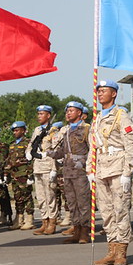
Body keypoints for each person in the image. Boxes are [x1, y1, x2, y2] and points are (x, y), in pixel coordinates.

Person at [86, 80, 133, 265]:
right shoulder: (97, 117)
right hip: (100, 169)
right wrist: (89, 170)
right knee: (106, 212)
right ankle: (111, 250)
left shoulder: (121, 115)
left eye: (104, 91)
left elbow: (130, 145)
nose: (100, 94)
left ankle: (121, 251)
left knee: (120, 210)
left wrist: (127, 172)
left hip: (118, 167)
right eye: (98, 91)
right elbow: (93, 146)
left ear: (114, 93)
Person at [47, 101, 91, 244]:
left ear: (79, 113)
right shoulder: (65, 131)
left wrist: (86, 165)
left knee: (83, 202)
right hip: (67, 170)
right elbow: (62, 151)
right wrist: (50, 153)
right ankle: (76, 230)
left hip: (80, 171)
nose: (68, 113)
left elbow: (92, 151)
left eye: (71, 111)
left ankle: (85, 231)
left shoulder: (86, 129)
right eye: (67, 111)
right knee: (71, 202)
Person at [28, 105, 60, 234]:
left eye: (42, 114)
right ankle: (44, 222)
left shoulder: (53, 131)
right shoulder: (37, 130)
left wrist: (54, 169)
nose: (39, 116)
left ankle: (52, 223)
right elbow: (32, 144)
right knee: (40, 197)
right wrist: (28, 152)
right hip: (38, 167)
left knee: (50, 196)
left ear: (48, 115)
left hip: (47, 167)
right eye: (38, 114)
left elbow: (55, 150)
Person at [4, 121, 35, 230]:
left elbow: (31, 159)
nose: (15, 133)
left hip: (24, 173)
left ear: (23, 131)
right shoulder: (12, 144)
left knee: (26, 196)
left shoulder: (28, 143)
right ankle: (19, 218)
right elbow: (9, 160)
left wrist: (31, 174)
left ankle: (29, 219)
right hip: (14, 174)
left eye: (17, 130)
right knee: (18, 197)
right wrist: (6, 174)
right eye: (14, 131)